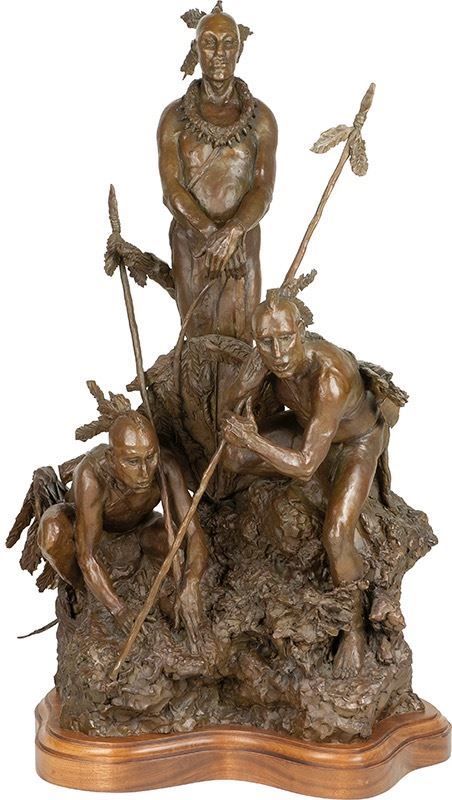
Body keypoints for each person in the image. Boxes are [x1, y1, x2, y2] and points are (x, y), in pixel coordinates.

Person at [221, 289, 391, 678]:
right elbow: (230, 408)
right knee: (232, 457)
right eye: (266, 342)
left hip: (354, 442)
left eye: (285, 338)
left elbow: (305, 465)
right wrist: (244, 383)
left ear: (301, 330)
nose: (278, 352)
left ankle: (353, 627)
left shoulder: (327, 378)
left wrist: (254, 440)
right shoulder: (268, 361)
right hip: (307, 428)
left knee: (336, 534)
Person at [157, 3, 277, 340]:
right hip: (193, 242)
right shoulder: (174, 118)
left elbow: (263, 188)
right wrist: (212, 236)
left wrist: (234, 233)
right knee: (198, 338)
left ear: (240, 49)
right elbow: (171, 188)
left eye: (229, 43)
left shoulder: (261, 119)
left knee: (242, 337)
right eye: (209, 43)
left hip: (243, 243)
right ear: (196, 49)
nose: (220, 53)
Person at [38, 411, 208, 646]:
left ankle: (170, 603)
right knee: (52, 533)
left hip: (141, 529)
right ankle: (85, 592)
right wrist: (119, 610)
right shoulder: (91, 474)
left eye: (150, 457)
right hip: (93, 534)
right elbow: (87, 555)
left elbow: (193, 531)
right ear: (111, 457)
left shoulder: (165, 465)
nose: (145, 472)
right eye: (132, 461)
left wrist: (192, 581)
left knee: (175, 548)